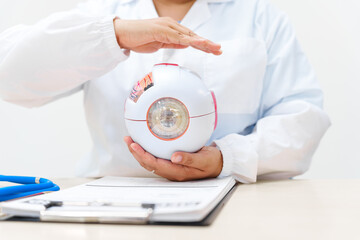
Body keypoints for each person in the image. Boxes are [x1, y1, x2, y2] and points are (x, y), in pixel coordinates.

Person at [0, 0, 330, 183]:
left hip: (233, 196)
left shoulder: (260, 15)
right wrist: (112, 36)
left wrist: (226, 159)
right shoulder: (100, 12)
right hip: (114, 202)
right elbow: (9, 76)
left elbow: (302, 118)